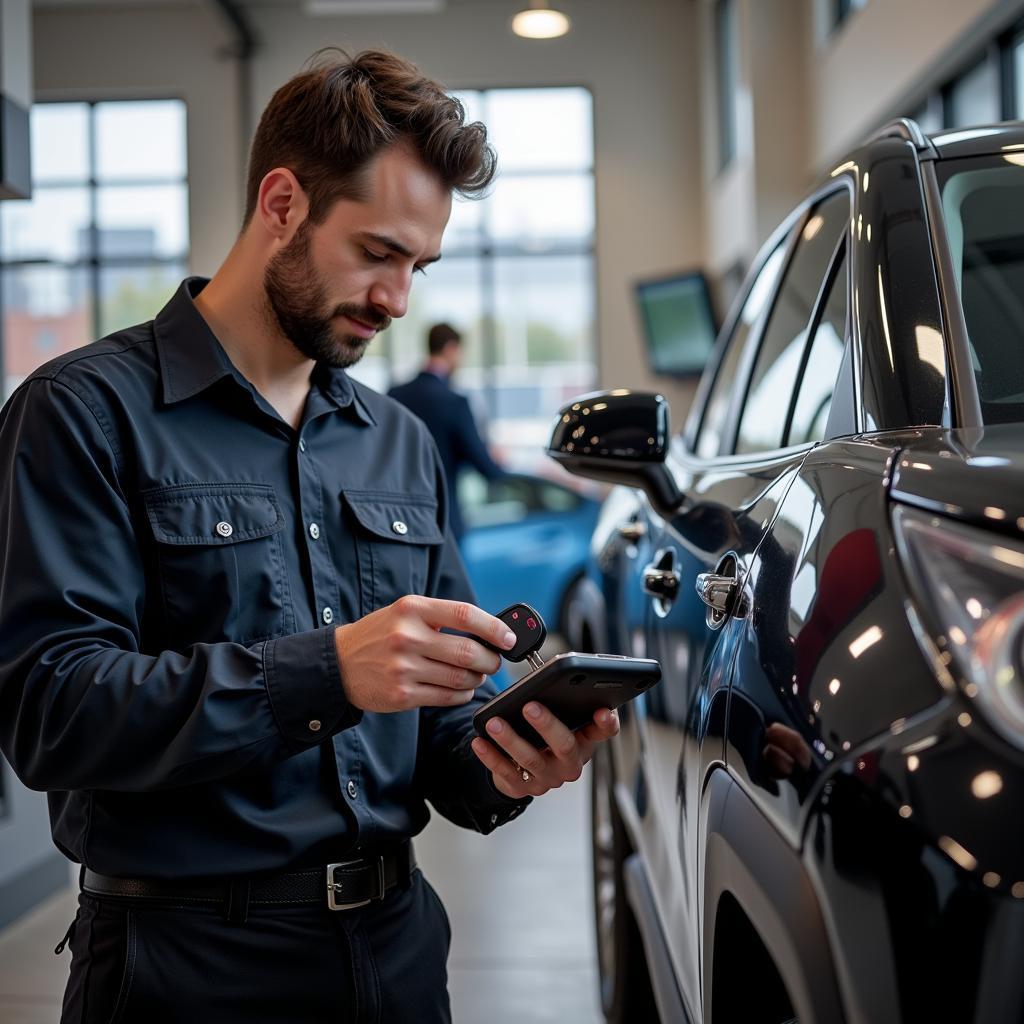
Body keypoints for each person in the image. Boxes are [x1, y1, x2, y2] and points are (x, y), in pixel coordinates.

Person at [0, 49, 618, 1024]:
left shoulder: (400, 446)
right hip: (185, 972)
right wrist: (323, 671)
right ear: (281, 203)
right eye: (376, 252)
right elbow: (50, 709)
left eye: (418, 266)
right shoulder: (82, 413)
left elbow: (436, 735)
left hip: (398, 956)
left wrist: (510, 756)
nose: (396, 300)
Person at [389, 323, 504, 541]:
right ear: (451, 349)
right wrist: (496, 460)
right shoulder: (455, 403)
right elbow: (485, 467)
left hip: (397, 520)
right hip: (443, 522)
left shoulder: (395, 395)